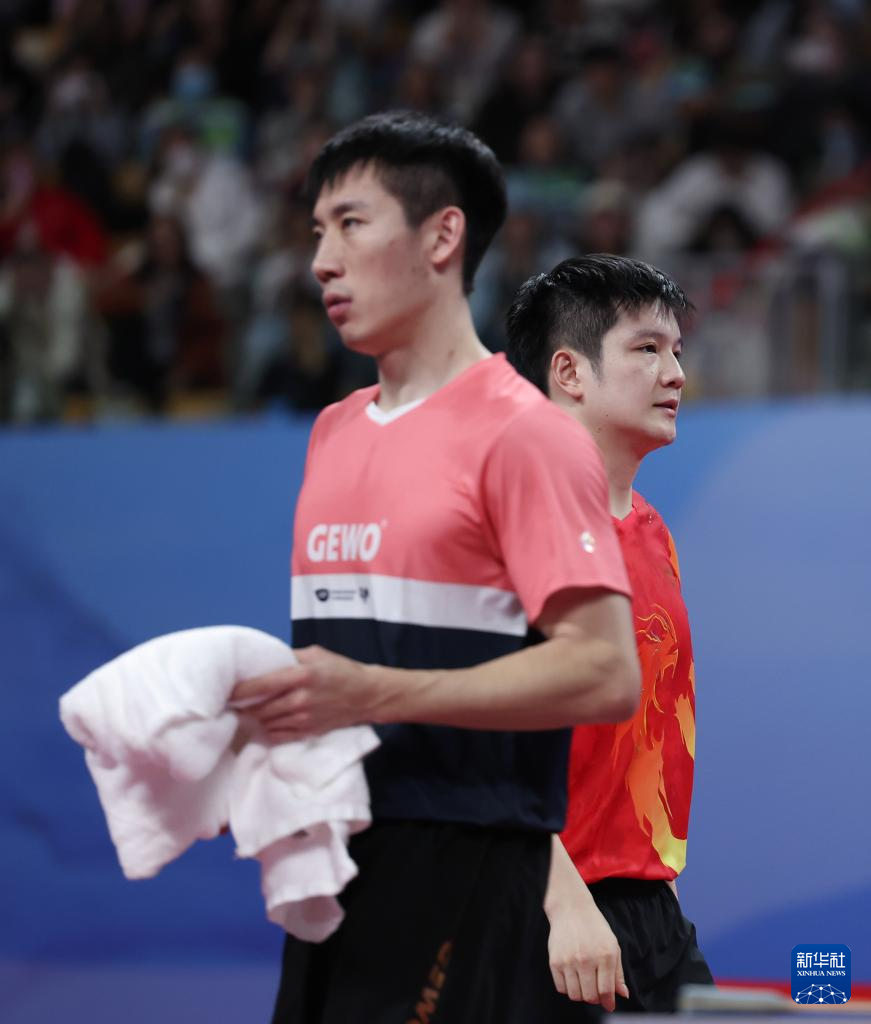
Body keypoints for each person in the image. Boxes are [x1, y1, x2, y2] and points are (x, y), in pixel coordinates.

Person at [230, 112, 641, 1023]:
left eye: (351, 224)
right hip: (334, 865)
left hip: (465, 868)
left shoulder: (526, 434)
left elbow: (604, 671)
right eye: (316, 232)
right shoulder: (333, 431)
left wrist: (372, 692)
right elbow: (344, 674)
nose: (321, 262)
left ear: (442, 236)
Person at [505, 254, 715, 1017]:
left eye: (676, 351)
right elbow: (471, 749)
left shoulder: (653, 531)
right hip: (545, 916)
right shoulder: (512, 529)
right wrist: (563, 905)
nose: (675, 374)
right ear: (569, 372)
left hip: (647, 914)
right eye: (646, 349)